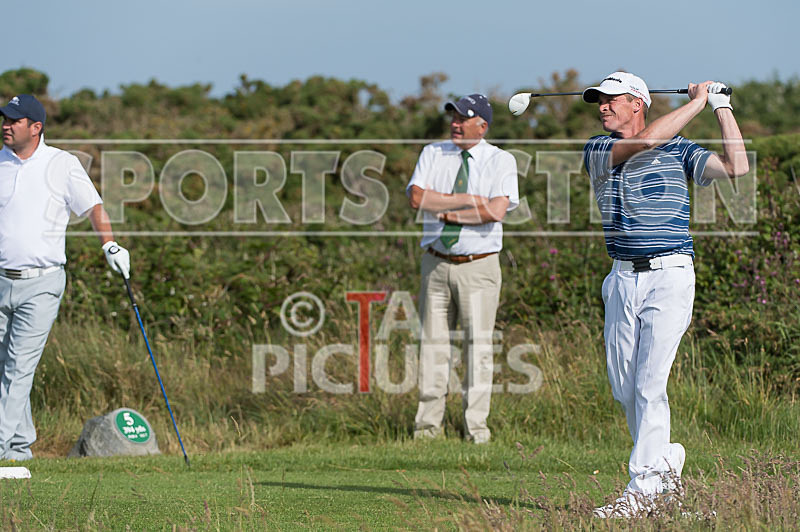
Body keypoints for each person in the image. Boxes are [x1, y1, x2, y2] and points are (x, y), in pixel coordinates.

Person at [581, 73, 748, 517]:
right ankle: (666, 466)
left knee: (650, 384)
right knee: (625, 387)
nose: (602, 107)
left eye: (611, 100)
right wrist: (696, 103)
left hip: (669, 273)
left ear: (639, 103)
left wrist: (720, 107)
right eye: (598, 101)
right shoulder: (599, 149)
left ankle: (642, 490)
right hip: (620, 278)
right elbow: (642, 146)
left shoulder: (681, 150)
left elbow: (737, 168)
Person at [0, 94, 131, 461]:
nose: (6, 126)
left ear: (36, 127)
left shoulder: (61, 164)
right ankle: (18, 448)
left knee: (18, 366)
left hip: (41, 283)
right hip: (0, 280)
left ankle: (1, 445)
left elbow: (93, 207)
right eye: (4, 120)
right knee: (3, 368)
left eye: (14, 120)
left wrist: (110, 246)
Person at [406, 94, 519, 444]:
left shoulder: (501, 160)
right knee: (432, 346)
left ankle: (476, 430)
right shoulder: (433, 152)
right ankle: (427, 429)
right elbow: (417, 198)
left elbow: (496, 211)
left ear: (482, 126)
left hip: (479, 267)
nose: (455, 124)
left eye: (463, 119)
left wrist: (445, 210)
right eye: (453, 117)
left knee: (478, 348)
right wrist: (469, 201)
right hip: (436, 263)